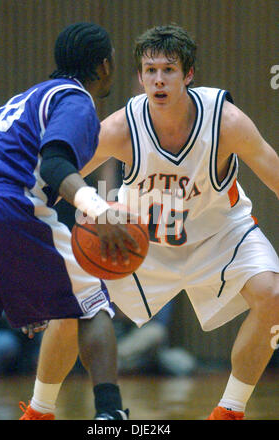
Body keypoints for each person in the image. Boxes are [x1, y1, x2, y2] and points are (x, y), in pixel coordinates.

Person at [20, 24, 279, 420]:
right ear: (140, 77)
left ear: (188, 74)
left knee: (273, 295)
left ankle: (230, 410)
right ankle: (38, 411)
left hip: (220, 235)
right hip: (137, 240)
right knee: (70, 306)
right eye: (150, 70)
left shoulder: (226, 122)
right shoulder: (122, 127)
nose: (158, 80)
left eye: (169, 70)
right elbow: (56, 179)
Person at [0, 22, 137, 420]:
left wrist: (22, 286)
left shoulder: (23, 100)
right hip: (9, 203)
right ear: (104, 66)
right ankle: (109, 415)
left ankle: (40, 412)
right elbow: (53, 164)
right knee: (92, 305)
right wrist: (99, 211)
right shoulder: (75, 100)